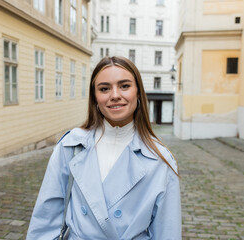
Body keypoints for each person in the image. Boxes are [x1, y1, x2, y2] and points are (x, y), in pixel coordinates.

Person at [26, 56, 181, 240]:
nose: (115, 95)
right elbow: (46, 218)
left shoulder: (160, 159)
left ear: (138, 92)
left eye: (124, 86)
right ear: (95, 97)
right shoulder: (71, 146)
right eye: (104, 88)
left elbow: (167, 232)